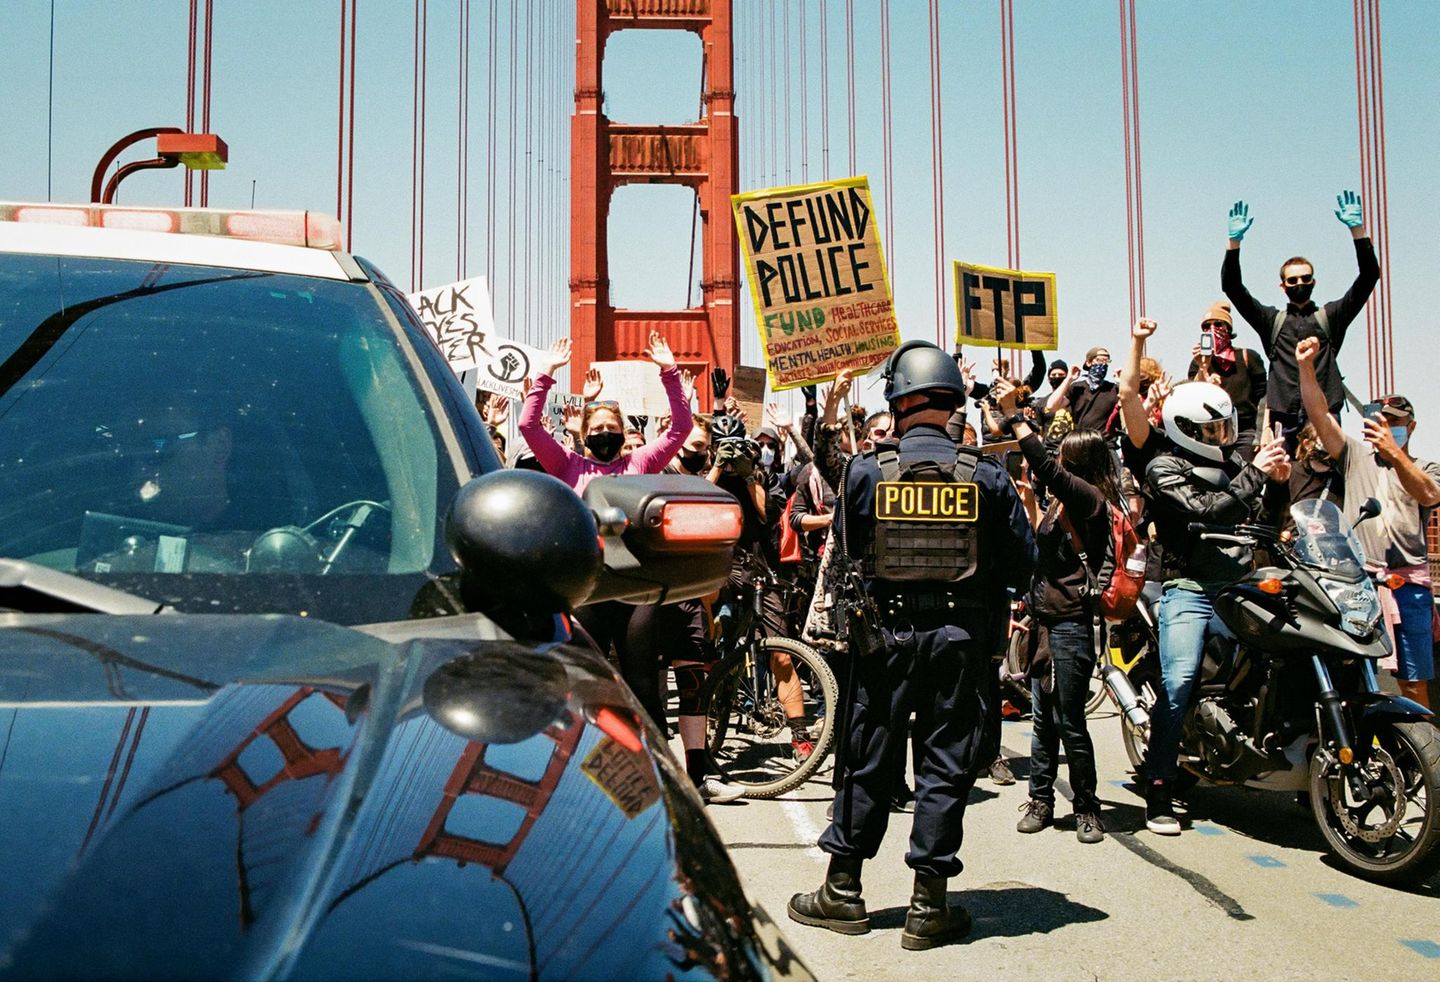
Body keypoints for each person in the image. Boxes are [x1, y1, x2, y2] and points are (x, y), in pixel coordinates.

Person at [788, 341, 1037, 951]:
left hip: (884, 640)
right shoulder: (988, 476)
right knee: (946, 763)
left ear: (897, 403)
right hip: (961, 643)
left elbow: (846, 552)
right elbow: (1026, 565)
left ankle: (842, 890)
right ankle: (929, 905)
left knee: (868, 753)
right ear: (953, 401)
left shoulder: (866, 471)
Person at [1141, 380, 1291, 834]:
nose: (1220, 437)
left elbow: (1264, 519)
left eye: (1224, 428)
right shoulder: (1163, 467)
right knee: (1180, 679)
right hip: (1188, 588)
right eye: (1210, 430)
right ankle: (1159, 787)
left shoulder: (1236, 464)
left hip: (1240, 584)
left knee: (1285, 655)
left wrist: (1279, 483)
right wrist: (1257, 475)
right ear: (1184, 428)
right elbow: (1207, 510)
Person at [993, 378, 1116, 844]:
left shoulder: (1089, 499)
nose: (1056, 458)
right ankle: (1041, 800)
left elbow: (1044, 466)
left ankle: (1087, 808)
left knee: (1069, 720)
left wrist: (1015, 415)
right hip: (1044, 622)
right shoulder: (1061, 504)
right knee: (1043, 719)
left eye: (1063, 453)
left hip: (1070, 626)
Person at [1298, 337, 1440, 709]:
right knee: (1352, 677)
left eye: (1395, 423)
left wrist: (1395, 454)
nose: (1386, 427)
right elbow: (1319, 416)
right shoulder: (1354, 456)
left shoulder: (1425, 466)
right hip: (1358, 584)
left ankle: (1423, 754)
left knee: (1414, 681)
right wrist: (1306, 367)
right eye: (1381, 421)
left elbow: (1428, 495)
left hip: (1408, 584)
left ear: (1411, 426)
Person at [1221, 193, 1379, 444]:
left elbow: (1369, 277)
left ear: (1314, 282)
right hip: (1285, 418)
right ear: (1282, 286)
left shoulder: (1331, 317)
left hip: (1325, 414)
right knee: (1282, 480)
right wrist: (1233, 243)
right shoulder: (1271, 321)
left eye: (1306, 278)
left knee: (1328, 478)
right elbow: (1232, 287)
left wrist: (1358, 232)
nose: (1300, 284)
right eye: (1293, 280)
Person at [517, 332, 691, 494]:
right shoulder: (567, 463)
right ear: (585, 434)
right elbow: (528, 426)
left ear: (622, 432)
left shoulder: (640, 462)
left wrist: (670, 371)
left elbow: (681, 428)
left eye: (612, 426)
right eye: (598, 427)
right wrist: (547, 371)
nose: (605, 431)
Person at [1187, 301, 1267, 436]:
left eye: (1218, 324)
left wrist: (1261, 433)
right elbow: (1194, 396)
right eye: (1206, 326)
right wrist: (1203, 368)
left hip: (1245, 430)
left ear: (1228, 328)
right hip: (1212, 431)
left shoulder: (1248, 357)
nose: (1212, 329)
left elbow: (1263, 397)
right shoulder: (1197, 362)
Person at [1047, 347, 1118, 435]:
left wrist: (1122, 384)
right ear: (1088, 362)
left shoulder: (1113, 389)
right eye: (1099, 360)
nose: (1103, 365)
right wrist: (1069, 379)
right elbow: (1052, 406)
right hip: (1081, 441)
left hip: (1105, 444)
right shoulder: (1077, 388)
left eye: (1106, 361)